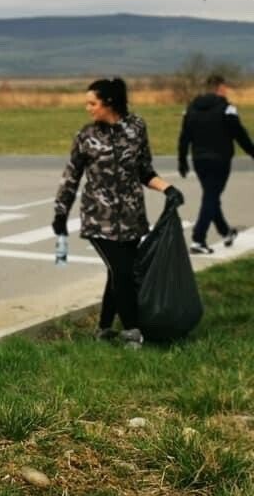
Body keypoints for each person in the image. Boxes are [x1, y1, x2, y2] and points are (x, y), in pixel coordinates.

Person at [53, 78, 184, 348]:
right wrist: (60, 213)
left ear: (109, 103)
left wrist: (168, 189)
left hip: (131, 218)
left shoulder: (136, 128)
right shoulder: (86, 136)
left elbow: (145, 171)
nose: (88, 108)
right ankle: (132, 332)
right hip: (98, 219)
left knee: (119, 273)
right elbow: (71, 178)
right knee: (123, 272)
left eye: (92, 103)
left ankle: (103, 329)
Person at [177, 74, 254, 254]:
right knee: (211, 197)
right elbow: (239, 134)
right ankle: (198, 239)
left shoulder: (191, 108)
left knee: (211, 196)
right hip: (220, 161)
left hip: (199, 161)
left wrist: (182, 160)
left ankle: (225, 232)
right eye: (225, 87)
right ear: (220, 87)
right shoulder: (227, 109)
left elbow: (184, 136)